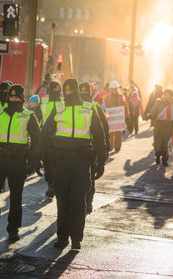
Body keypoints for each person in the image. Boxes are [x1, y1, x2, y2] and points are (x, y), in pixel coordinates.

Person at [35, 78, 107, 250]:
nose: (68, 93)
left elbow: (99, 137)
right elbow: (45, 135)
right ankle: (62, 238)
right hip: (62, 162)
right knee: (62, 200)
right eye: (65, 91)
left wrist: (101, 162)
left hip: (82, 162)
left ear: (76, 91)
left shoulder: (89, 109)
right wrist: (36, 157)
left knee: (78, 200)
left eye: (71, 91)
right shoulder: (58, 109)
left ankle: (76, 239)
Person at [0, 84, 40, 242]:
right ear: (8, 98)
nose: (13, 99)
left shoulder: (28, 116)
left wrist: (32, 162)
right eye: (11, 97)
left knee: (16, 197)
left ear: (22, 99)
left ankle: (13, 229)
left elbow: (38, 140)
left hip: (17, 161)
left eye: (17, 97)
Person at [79, 82, 110, 214]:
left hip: (92, 149)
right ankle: (84, 201)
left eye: (86, 93)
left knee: (90, 177)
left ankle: (88, 201)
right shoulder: (75, 109)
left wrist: (104, 150)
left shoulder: (95, 108)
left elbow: (104, 131)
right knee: (86, 177)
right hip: (79, 148)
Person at [39, 81, 62, 198]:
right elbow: (37, 117)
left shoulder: (64, 103)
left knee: (57, 164)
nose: (56, 92)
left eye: (58, 89)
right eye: (54, 89)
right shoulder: (43, 102)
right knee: (47, 163)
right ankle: (50, 184)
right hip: (46, 137)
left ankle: (54, 186)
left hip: (59, 137)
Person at [148, 89, 173, 166]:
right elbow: (154, 110)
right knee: (158, 142)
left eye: (168, 94)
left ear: (170, 96)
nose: (166, 96)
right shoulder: (158, 102)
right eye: (165, 94)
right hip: (159, 126)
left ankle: (165, 159)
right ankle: (157, 157)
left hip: (168, 127)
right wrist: (151, 115)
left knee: (166, 143)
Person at [104, 81, 128, 152]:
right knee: (110, 132)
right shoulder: (107, 98)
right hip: (110, 118)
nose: (115, 90)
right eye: (113, 89)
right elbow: (104, 107)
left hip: (118, 119)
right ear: (111, 89)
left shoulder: (121, 97)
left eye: (116, 88)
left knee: (118, 132)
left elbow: (125, 106)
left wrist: (127, 115)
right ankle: (110, 146)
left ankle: (117, 147)